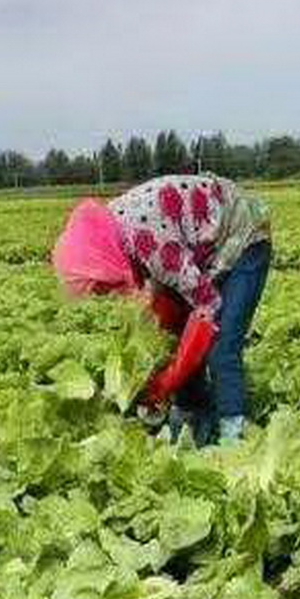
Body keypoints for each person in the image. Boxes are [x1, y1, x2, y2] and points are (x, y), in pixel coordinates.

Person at [51, 174, 273, 445]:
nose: (102, 292)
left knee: (221, 348)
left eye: (99, 285)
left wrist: (171, 378)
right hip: (202, 245)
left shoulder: (151, 247)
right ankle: (193, 417)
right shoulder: (111, 231)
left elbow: (208, 305)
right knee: (175, 334)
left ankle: (233, 435)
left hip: (245, 236)